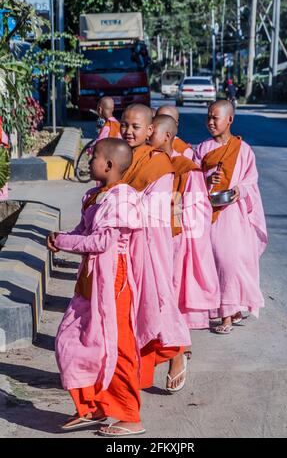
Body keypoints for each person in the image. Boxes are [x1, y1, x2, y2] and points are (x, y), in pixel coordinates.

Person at [47, 138, 148, 436]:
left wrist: (65, 242)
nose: (87, 163)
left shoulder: (123, 200)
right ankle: (92, 405)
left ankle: (130, 416)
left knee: (116, 347)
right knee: (70, 339)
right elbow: (84, 231)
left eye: (92, 158)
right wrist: (61, 237)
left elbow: (103, 242)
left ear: (109, 165)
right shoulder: (95, 195)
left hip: (113, 281)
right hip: (91, 279)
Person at [120, 103, 191, 392]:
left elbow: (154, 212)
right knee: (127, 313)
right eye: (125, 125)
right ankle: (128, 373)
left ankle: (176, 355)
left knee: (156, 306)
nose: (128, 131)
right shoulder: (121, 155)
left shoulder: (159, 164)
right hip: (122, 246)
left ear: (150, 130)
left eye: (135, 127)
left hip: (149, 246)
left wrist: (116, 205)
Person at [193, 100, 268, 333]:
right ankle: (226, 309)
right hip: (209, 212)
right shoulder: (202, 148)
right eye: (208, 117)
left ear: (230, 120)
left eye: (216, 117)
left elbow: (250, 180)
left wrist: (239, 190)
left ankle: (227, 313)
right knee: (212, 262)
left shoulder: (243, 150)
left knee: (230, 262)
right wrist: (206, 180)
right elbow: (191, 178)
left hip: (232, 214)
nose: (211, 122)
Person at [149, 114, 220, 359]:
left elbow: (199, 204)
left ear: (168, 135)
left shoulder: (185, 165)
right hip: (147, 235)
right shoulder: (143, 161)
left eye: (151, 131)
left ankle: (178, 345)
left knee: (172, 288)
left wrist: (193, 238)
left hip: (175, 236)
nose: (147, 136)